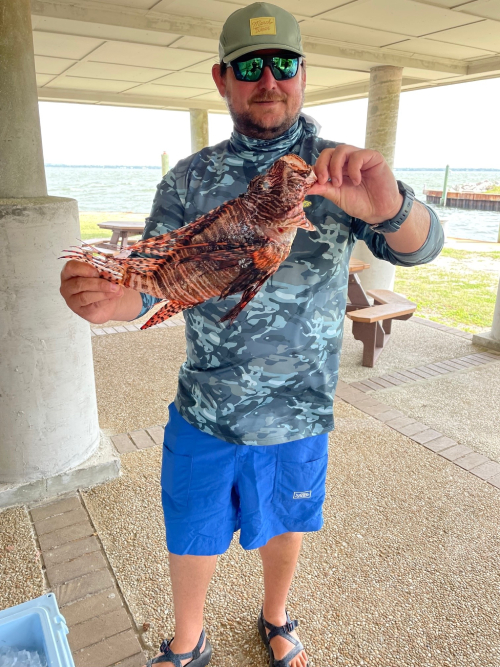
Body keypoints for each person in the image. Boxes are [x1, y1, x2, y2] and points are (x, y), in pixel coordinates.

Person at [60, 3, 444, 666]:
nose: (268, 78)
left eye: (283, 63)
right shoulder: (188, 179)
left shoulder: (339, 171)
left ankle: (275, 614)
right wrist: (108, 299)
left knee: (288, 527)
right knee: (191, 532)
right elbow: (155, 281)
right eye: (250, 65)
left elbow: (423, 246)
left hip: (299, 412)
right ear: (223, 78)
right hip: (204, 408)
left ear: (301, 73)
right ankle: (188, 639)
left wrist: (391, 207)